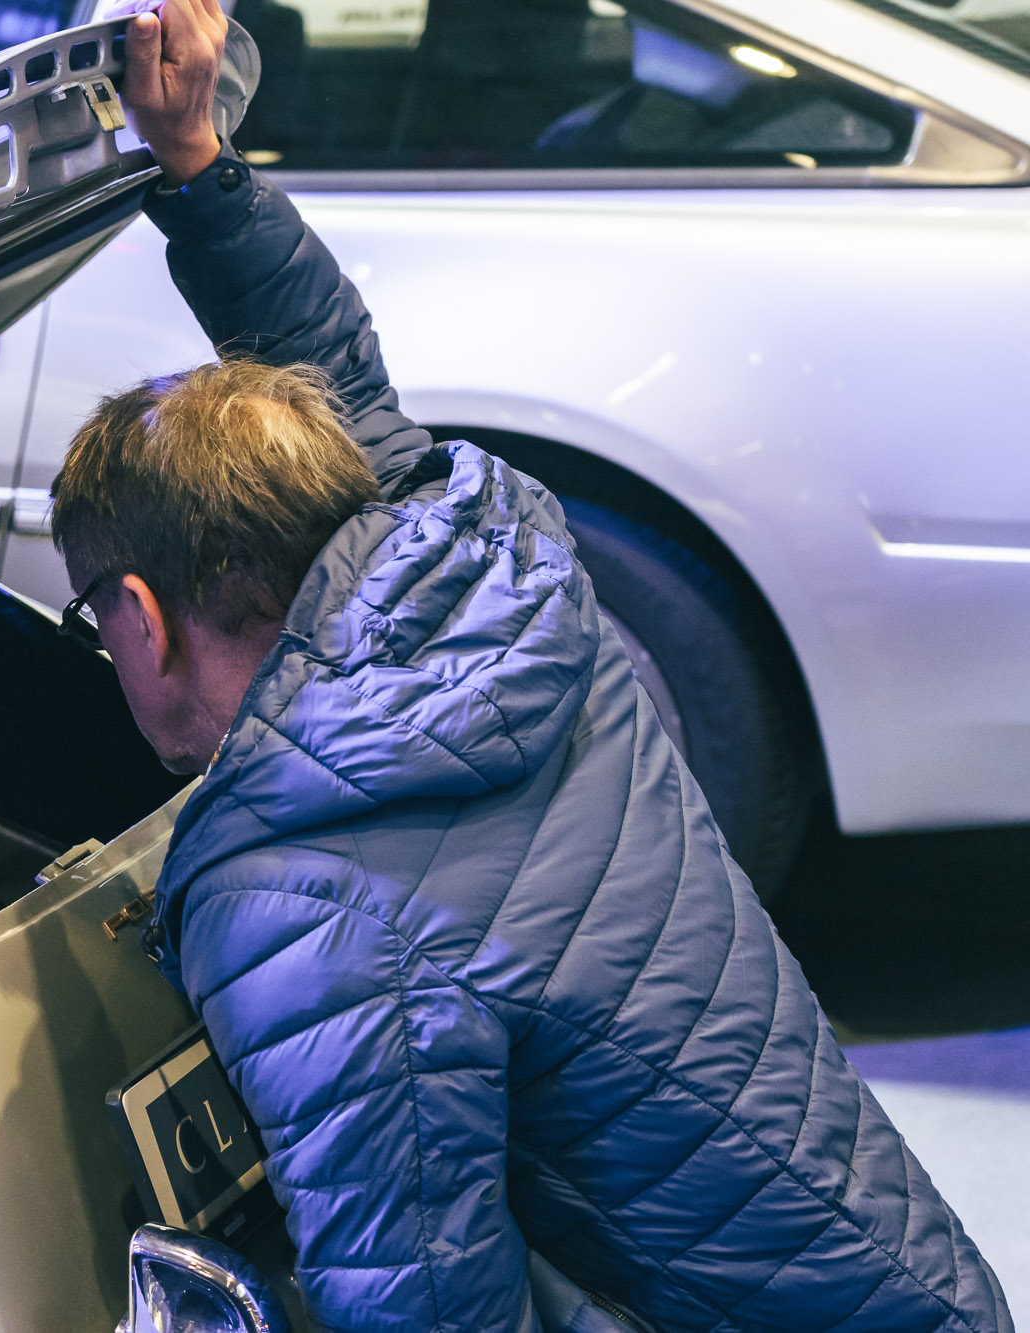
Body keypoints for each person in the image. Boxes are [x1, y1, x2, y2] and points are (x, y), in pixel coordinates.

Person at [56, 2, 1016, 1329]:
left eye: (93, 616)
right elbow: (332, 365)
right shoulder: (480, 596)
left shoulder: (315, 914)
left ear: (145, 615)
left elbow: (431, 1314)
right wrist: (196, 163)